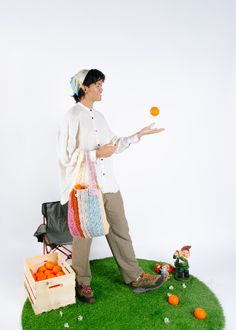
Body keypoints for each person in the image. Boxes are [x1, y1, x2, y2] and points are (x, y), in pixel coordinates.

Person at [58, 69, 166, 303]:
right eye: (97, 84)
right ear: (84, 88)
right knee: (83, 237)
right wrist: (96, 154)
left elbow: (114, 144)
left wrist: (140, 134)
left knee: (120, 231)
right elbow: (65, 156)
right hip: (85, 188)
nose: (101, 88)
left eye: (101, 84)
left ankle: (135, 277)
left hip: (109, 185)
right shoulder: (72, 116)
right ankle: (82, 284)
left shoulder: (101, 117)